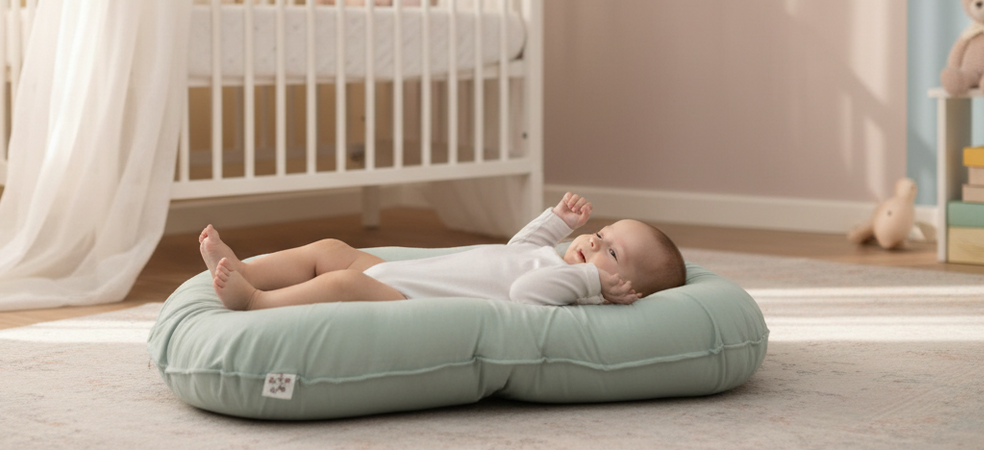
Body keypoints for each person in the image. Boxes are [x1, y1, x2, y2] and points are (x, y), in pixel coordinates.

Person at [197, 192, 686, 311]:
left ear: (621, 288)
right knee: (333, 250)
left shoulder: (568, 291)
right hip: (410, 271)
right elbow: (521, 249)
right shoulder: (554, 258)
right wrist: (558, 221)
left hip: (409, 298)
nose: (595, 242)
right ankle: (248, 269)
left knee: (343, 283)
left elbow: (522, 291)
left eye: (612, 255)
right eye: (601, 232)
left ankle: (255, 301)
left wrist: (590, 280)